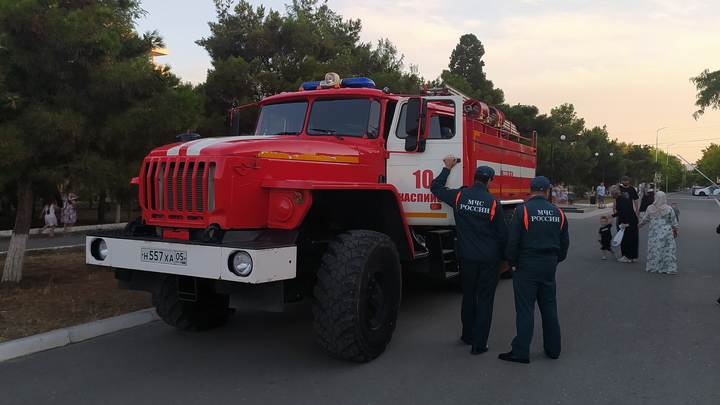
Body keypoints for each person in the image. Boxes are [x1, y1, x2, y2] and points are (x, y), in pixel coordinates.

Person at [431, 156, 508, 355]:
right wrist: (506, 259)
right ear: (489, 181)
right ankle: (479, 344)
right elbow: (502, 235)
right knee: (485, 299)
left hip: (467, 257)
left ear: (474, 179)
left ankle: (467, 335)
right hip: (489, 258)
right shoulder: (493, 203)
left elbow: (436, 188)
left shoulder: (459, 196)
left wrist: (447, 168)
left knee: (469, 297)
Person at [499, 176, 570, 364]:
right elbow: (564, 244)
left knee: (525, 310)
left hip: (526, 265)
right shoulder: (558, 213)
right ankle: (553, 349)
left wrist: (511, 261)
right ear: (548, 192)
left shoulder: (522, 210)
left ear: (530, 191)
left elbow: (513, 239)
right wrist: (554, 261)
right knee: (549, 308)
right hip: (548, 266)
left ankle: (521, 351)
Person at [638, 191, 679, 274]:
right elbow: (673, 221)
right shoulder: (669, 208)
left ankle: (653, 267)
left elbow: (646, 219)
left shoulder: (650, 208)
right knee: (667, 249)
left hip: (654, 232)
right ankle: (668, 268)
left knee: (654, 249)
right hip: (666, 232)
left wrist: (641, 224)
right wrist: (676, 230)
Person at [609, 184, 639, 263]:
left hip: (628, 221)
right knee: (633, 239)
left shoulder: (619, 200)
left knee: (626, 239)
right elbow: (624, 211)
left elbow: (624, 212)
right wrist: (613, 215)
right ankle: (633, 256)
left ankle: (627, 256)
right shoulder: (623, 198)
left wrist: (624, 223)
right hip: (633, 220)